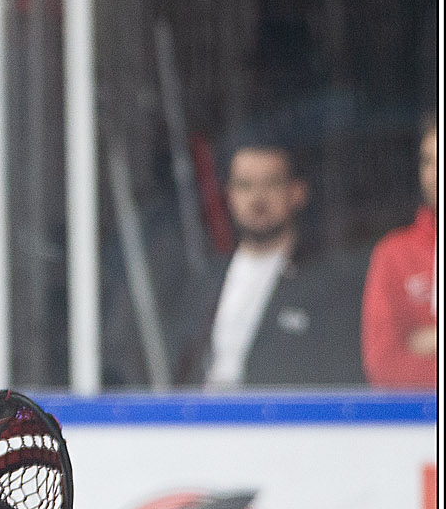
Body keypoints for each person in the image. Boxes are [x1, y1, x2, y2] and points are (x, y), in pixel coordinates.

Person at [177, 140, 367, 387]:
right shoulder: (203, 280)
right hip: (199, 420)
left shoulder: (324, 280)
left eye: (271, 183)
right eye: (245, 185)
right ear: (229, 195)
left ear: (297, 192)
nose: (257, 197)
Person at [361, 115, 438, 389]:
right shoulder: (393, 253)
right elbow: (384, 366)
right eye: (427, 160)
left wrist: (429, 339)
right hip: (414, 426)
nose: (434, 172)